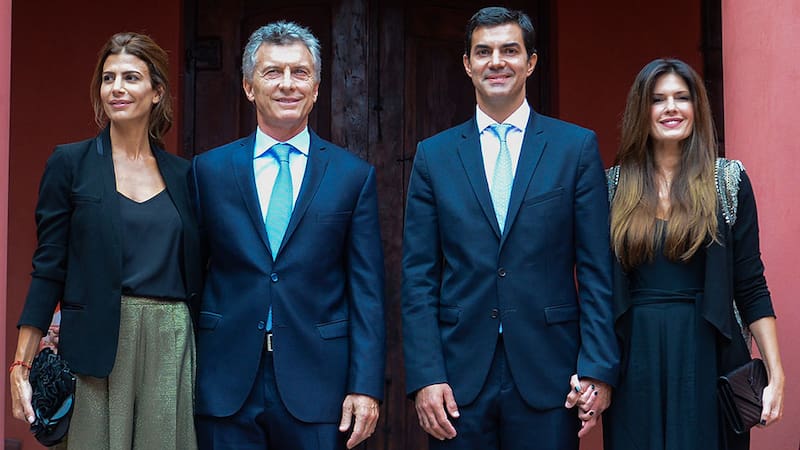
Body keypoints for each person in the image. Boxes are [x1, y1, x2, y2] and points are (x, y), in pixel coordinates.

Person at [401, 6, 619, 450]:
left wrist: (597, 367)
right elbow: (417, 278)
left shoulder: (574, 148)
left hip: (552, 373)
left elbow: (597, 269)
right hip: (457, 381)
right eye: (483, 52)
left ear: (531, 62)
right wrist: (426, 376)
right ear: (467, 64)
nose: (496, 61)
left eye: (509, 50)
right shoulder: (433, 156)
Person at [191, 21, 386, 450]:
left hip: (320, 386)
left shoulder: (352, 176)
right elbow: (191, 277)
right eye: (272, 72)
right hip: (225, 381)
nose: (287, 85)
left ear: (316, 88)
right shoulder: (210, 171)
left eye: (299, 73)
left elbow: (367, 291)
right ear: (248, 86)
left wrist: (366, 386)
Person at [8, 32, 203, 449]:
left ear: (157, 93)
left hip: (171, 340)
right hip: (96, 342)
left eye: (131, 78)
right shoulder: (70, 164)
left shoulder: (186, 176)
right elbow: (48, 266)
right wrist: (21, 363)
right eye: (108, 78)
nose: (117, 88)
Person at [602, 58, 785, 450]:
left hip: (710, 352)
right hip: (635, 357)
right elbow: (597, 288)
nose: (671, 108)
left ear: (697, 107)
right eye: (659, 99)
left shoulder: (728, 180)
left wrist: (776, 373)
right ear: (641, 110)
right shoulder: (612, 187)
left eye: (682, 98)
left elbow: (751, 284)